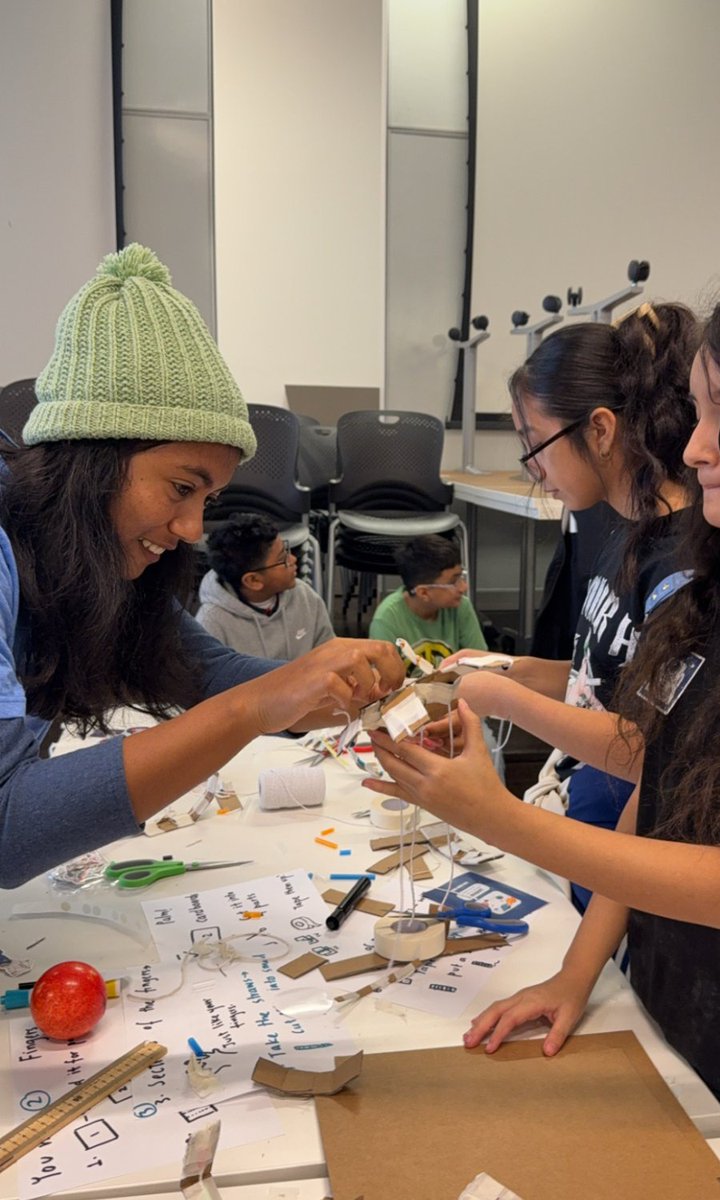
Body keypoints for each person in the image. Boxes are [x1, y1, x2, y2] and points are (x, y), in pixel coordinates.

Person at [366, 272, 720, 1133]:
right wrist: (577, 972)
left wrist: (498, 817)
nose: (696, 448)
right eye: (697, 412)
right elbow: (660, 792)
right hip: (680, 1007)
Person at [0, 243, 402, 889]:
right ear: (92, 459)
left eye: (208, 499)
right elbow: (8, 828)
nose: (191, 529)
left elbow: (205, 669)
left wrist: (335, 685)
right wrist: (254, 711)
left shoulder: (87, 551)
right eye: (182, 488)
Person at [437, 303, 699, 910]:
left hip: (626, 854)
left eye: (536, 445)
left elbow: (643, 748)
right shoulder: (619, 529)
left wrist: (505, 699)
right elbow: (598, 682)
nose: (533, 469)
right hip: (583, 819)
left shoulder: (683, 564)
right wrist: (501, 670)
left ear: (601, 431)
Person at [197, 512, 333, 660]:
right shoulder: (211, 623)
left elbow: (328, 651)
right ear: (253, 581)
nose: (293, 559)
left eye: (287, 550)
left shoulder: (304, 596)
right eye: (283, 559)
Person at [369, 534, 486, 668]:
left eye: (461, 577)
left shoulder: (461, 606)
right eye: (454, 581)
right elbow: (384, 679)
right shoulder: (387, 619)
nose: (464, 587)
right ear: (423, 593)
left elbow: (482, 664)